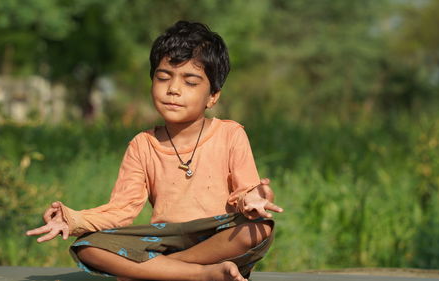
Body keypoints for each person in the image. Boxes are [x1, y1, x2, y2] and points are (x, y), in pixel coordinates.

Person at [26, 20, 283, 281]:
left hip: (216, 237)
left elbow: (250, 191)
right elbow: (121, 210)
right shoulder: (142, 145)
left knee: (259, 228)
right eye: (163, 78)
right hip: (162, 237)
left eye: (190, 82)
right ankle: (201, 275)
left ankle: (157, 271)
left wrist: (256, 197)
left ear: (213, 96)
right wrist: (72, 219)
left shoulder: (231, 134)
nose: (173, 89)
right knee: (87, 248)